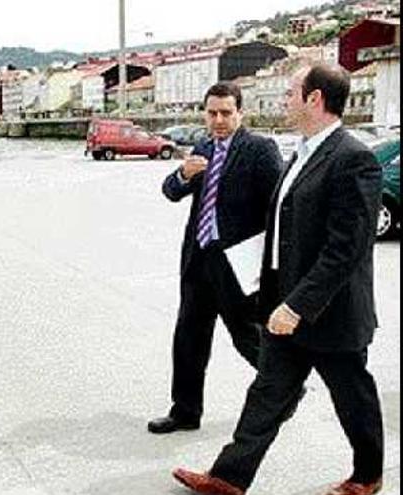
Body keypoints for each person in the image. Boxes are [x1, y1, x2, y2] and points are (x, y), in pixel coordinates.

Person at [173, 62, 384, 495]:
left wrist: (297, 305)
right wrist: (271, 297)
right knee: (267, 394)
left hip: (329, 313)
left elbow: (347, 249)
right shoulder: (302, 152)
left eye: (291, 92)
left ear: (315, 99)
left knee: (353, 397)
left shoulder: (352, 158)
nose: (285, 100)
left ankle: (368, 476)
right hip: (284, 306)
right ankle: (229, 478)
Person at [149, 82, 283, 434]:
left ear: (240, 112)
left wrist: (270, 262)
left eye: (226, 113)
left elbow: (279, 208)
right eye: (212, 113)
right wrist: (183, 174)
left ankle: (285, 386)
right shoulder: (203, 146)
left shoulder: (259, 149)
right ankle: (185, 412)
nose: (219, 120)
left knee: (247, 336)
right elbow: (171, 191)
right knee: (189, 337)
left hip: (238, 264)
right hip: (198, 259)